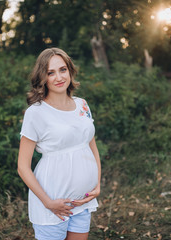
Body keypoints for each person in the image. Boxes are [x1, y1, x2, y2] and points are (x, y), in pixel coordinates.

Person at [17, 48, 101, 240]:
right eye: (50, 72)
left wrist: (97, 184)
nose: (58, 77)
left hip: (83, 202)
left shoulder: (82, 105)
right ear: (43, 77)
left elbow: (91, 146)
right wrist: (48, 202)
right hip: (53, 204)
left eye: (62, 69)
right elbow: (22, 167)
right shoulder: (36, 113)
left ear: (70, 71)